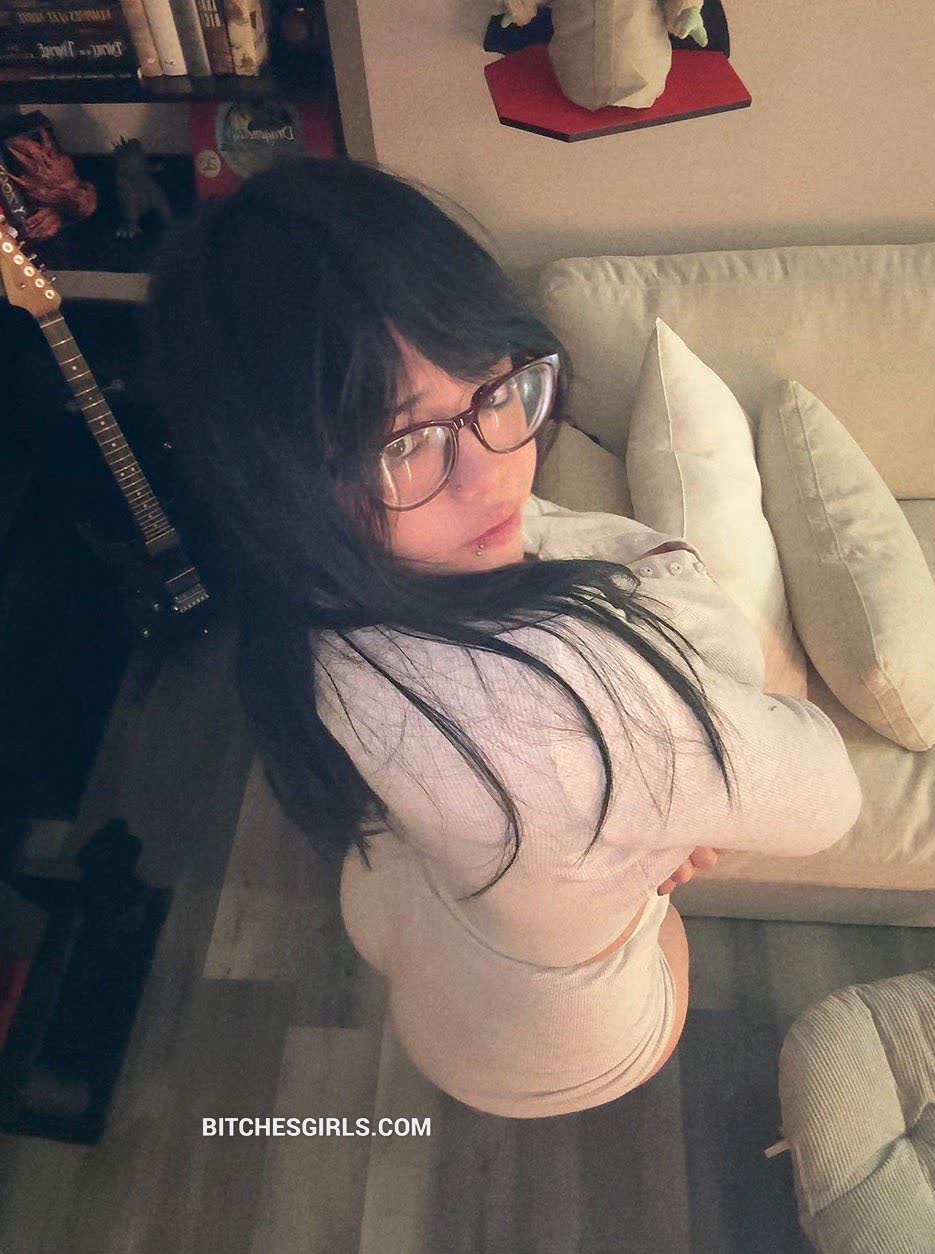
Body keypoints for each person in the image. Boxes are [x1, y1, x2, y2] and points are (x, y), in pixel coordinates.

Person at [142, 156, 863, 1119]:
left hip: (410, 922)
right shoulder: (581, 707)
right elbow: (828, 799)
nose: (494, 473)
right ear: (283, 488)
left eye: (493, 388)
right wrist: (671, 792)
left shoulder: (304, 591)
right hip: (564, 1041)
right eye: (404, 443)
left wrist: (660, 796)